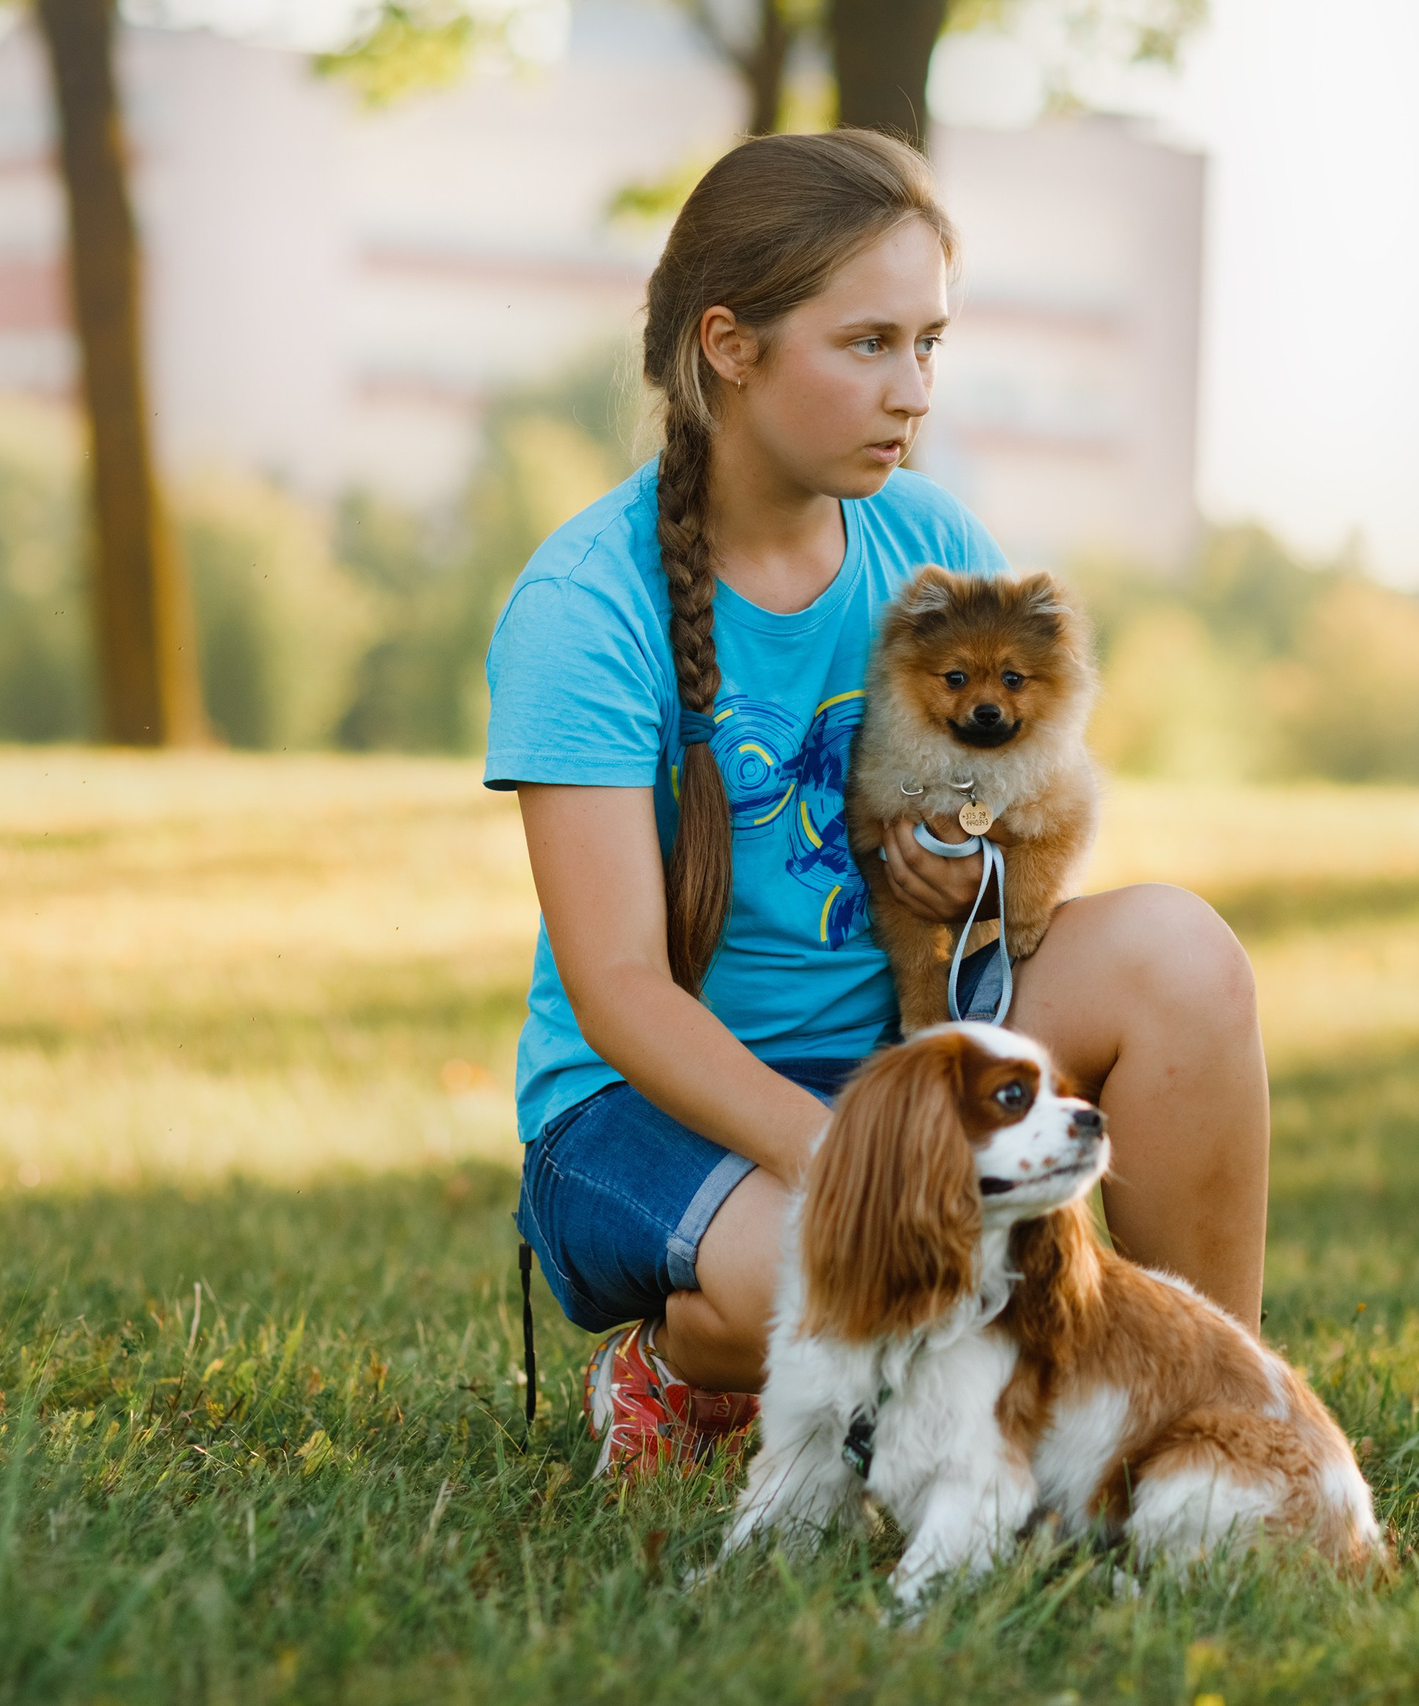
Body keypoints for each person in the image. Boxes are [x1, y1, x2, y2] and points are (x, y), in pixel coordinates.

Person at [485, 130, 1268, 1478]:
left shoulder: (936, 546)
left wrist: (969, 883)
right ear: (731, 346)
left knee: (1182, 954)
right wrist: (866, 1159)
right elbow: (618, 986)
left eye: (930, 345)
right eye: (868, 346)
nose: (913, 392)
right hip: (639, 1114)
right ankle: (682, 1374)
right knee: (834, 1266)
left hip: (897, 1057)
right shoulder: (584, 606)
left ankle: (1210, 1422)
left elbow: (1018, 844)